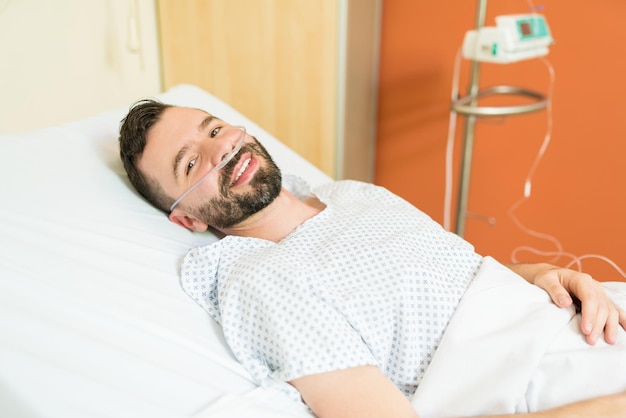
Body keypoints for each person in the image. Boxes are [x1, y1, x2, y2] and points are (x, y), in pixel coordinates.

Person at [118, 99, 626, 418]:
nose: (220, 151)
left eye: (213, 130)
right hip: (543, 380)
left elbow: (455, 271)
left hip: (581, 318)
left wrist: (546, 275)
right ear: (189, 220)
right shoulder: (261, 279)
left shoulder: (350, 193)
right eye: (191, 163)